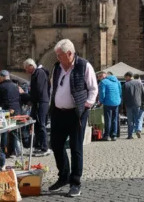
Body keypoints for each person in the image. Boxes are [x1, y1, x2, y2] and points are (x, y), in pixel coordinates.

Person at [48, 39, 98, 198]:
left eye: (60, 55)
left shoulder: (84, 66)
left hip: (76, 113)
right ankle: (63, 176)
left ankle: (75, 182)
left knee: (76, 148)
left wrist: (87, 105)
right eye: (57, 55)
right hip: (58, 112)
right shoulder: (57, 68)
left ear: (70, 53)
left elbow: (93, 88)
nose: (58, 58)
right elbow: (53, 88)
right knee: (56, 144)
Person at [0, 70, 23, 158]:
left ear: (2, 77)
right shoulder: (15, 86)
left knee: (4, 131)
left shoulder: (0, 86)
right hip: (17, 110)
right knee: (14, 131)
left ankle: (3, 151)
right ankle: (14, 151)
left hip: (6, 111)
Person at [23, 59, 51, 156]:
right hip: (39, 101)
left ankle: (45, 147)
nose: (26, 70)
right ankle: (38, 145)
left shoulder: (39, 73)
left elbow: (38, 89)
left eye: (26, 68)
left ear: (31, 65)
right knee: (37, 124)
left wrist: (32, 99)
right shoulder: (36, 73)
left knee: (41, 124)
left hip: (41, 101)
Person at [97, 71, 121, 141]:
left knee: (108, 119)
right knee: (115, 119)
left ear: (102, 76)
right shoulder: (116, 81)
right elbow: (120, 91)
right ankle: (114, 135)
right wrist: (119, 99)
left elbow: (102, 93)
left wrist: (101, 102)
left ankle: (107, 135)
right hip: (116, 102)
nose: (99, 79)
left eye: (99, 77)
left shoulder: (103, 82)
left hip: (108, 102)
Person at [123, 72, 144, 139]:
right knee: (137, 118)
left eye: (125, 77)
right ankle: (138, 130)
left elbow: (123, 96)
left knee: (130, 120)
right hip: (137, 104)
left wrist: (122, 106)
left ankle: (130, 135)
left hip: (128, 104)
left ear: (128, 76)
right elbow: (143, 94)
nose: (125, 79)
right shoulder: (139, 83)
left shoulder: (126, 84)